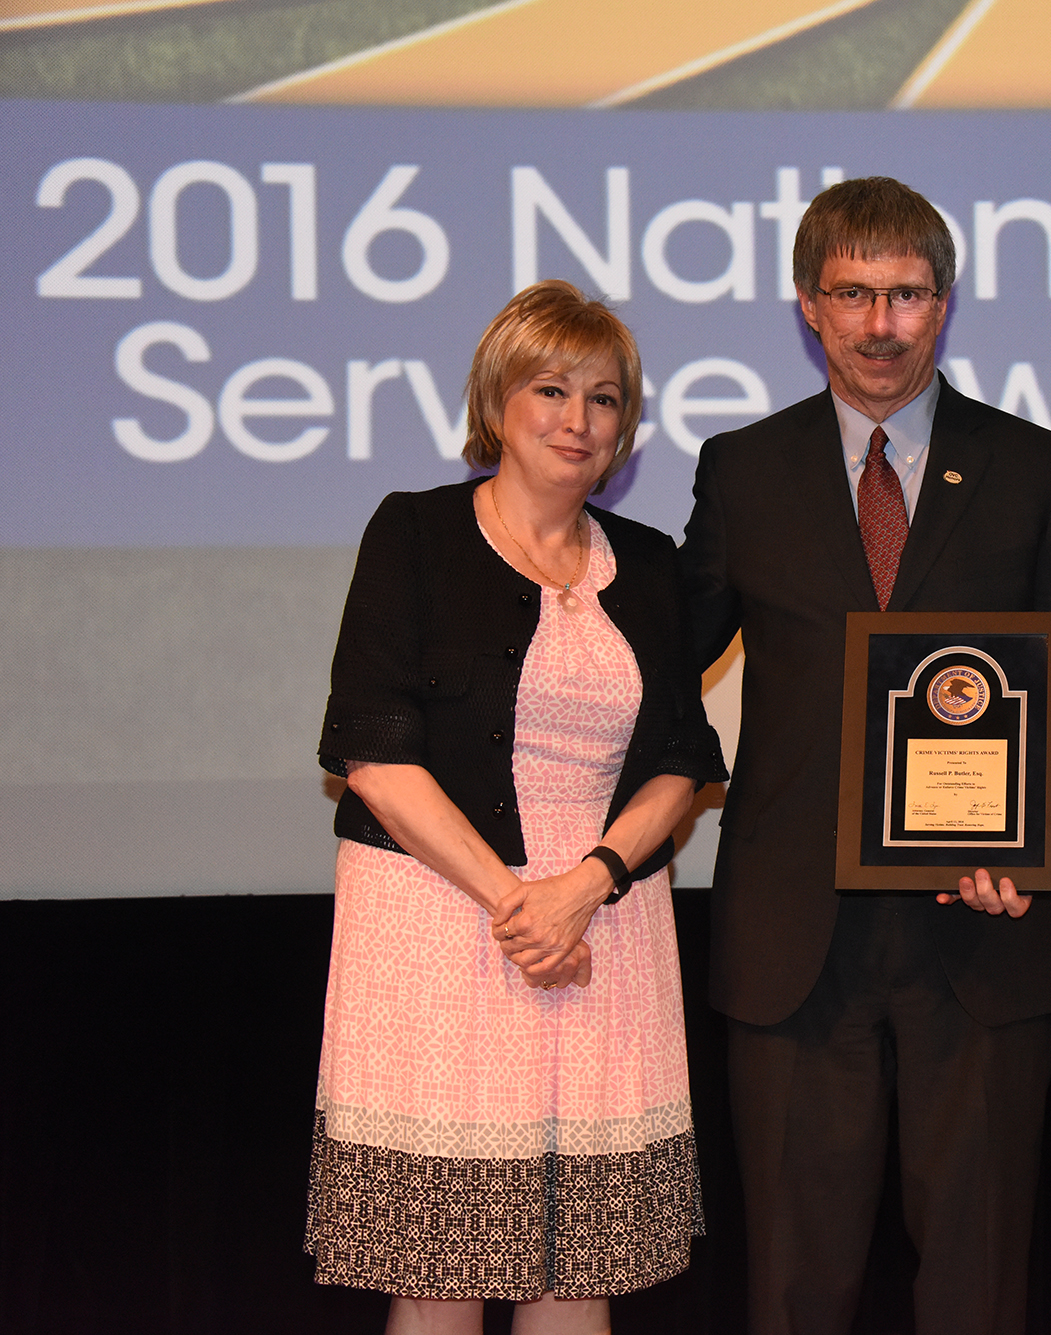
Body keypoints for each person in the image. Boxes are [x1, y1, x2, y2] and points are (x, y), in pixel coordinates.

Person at [679, 176, 1051, 1335]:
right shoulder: (742, 469)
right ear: (807, 306)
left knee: (976, 1283)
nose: (880, 324)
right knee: (790, 1284)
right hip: (792, 937)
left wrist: (1023, 836)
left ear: (944, 303)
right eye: (853, 294)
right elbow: (667, 667)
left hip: (981, 925)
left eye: (906, 295)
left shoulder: (1038, 467)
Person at [308, 280, 727, 1334]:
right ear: (499, 401)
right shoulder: (412, 534)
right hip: (438, 921)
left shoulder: (654, 566)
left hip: (602, 924)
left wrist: (582, 888)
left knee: (573, 1268)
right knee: (441, 1273)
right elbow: (373, 751)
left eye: (603, 399)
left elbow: (682, 758)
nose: (578, 422)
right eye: (551, 390)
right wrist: (517, 903)